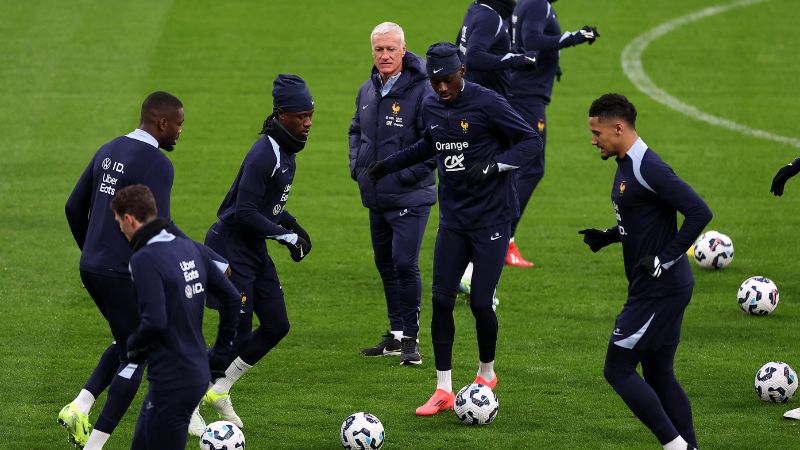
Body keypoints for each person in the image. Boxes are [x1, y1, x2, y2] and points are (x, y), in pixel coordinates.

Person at [368, 42, 542, 416]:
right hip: (453, 220)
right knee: (442, 300)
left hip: (492, 219)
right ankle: (443, 388)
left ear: (461, 71)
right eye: (435, 82)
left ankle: (486, 373)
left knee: (480, 302)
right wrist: (389, 164)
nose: (442, 89)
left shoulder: (488, 103)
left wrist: (495, 166)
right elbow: (428, 145)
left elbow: (530, 141)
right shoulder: (430, 104)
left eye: (447, 80)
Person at [579, 93, 711, 450]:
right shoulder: (626, 164)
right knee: (657, 373)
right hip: (661, 286)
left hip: (659, 289)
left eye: (597, 132)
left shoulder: (648, 167)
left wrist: (663, 258)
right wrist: (609, 236)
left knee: (617, 368)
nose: (593, 140)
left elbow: (699, 212)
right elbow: (645, 219)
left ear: (618, 128)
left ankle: (676, 446)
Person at [62, 91, 187, 449]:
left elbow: (73, 207)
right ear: (162, 123)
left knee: (127, 339)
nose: (180, 132)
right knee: (140, 353)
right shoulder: (158, 164)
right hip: (122, 272)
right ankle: (95, 444)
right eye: (178, 125)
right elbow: (158, 230)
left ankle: (80, 405)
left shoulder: (110, 148)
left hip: (94, 267)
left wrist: (92, 254)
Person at [198, 74, 314, 430]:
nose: (308, 122)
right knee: (238, 333)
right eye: (301, 116)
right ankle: (186, 397)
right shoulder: (265, 152)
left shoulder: (288, 149)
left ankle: (220, 390)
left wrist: (294, 227)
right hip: (230, 249)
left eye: (311, 115)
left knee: (277, 325)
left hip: (253, 249)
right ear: (281, 114)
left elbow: (269, 205)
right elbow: (244, 212)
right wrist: (285, 237)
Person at [107, 185, 239, 450]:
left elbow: (155, 320)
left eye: (119, 222)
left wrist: (132, 345)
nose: (120, 230)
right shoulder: (191, 248)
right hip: (191, 372)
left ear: (130, 219)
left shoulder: (144, 259)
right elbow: (233, 299)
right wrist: (220, 354)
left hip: (173, 379)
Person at [349, 22, 437, 365]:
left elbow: (433, 144)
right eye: (378, 49)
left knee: (404, 263)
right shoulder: (367, 90)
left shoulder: (423, 91)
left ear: (403, 50)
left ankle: (412, 339)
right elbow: (355, 129)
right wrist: (357, 168)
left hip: (410, 197)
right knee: (385, 263)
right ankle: (397, 335)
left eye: (390, 49)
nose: (384, 55)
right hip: (376, 195)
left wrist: (405, 176)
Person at [505, 0, 599, 267]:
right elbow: (532, 38)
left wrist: (551, 64)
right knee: (531, 168)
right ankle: (504, 240)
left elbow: (522, 43)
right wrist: (575, 37)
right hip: (527, 98)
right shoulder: (537, 3)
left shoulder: (525, 2)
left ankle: (493, 236)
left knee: (512, 167)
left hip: (518, 90)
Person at [456, 0, 536, 99]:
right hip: (486, 101)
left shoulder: (476, 8)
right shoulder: (491, 18)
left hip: (472, 95)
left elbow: (461, 46)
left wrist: (510, 53)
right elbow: (473, 57)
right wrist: (514, 60)